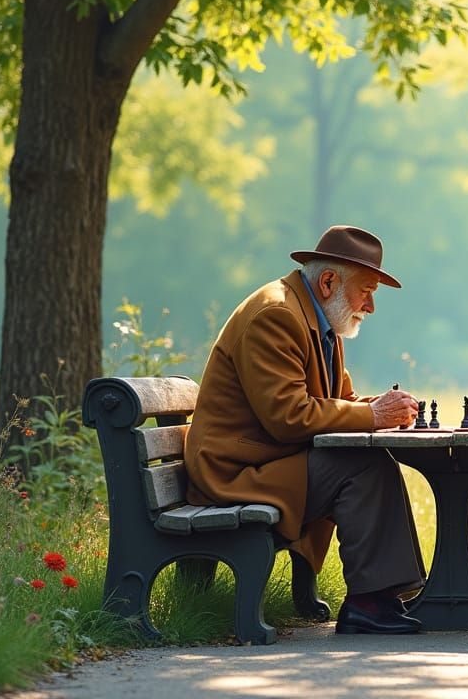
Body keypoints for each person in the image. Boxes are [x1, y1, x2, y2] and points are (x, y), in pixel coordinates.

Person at [185, 225, 426, 634]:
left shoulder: (316, 316)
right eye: (366, 291)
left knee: (367, 458)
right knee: (362, 465)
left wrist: (383, 409)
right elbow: (288, 417)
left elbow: (341, 402)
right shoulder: (276, 315)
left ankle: (384, 595)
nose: (369, 306)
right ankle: (372, 601)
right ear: (329, 281)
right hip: (233, 472)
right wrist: (372, 416)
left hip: (267, 460)